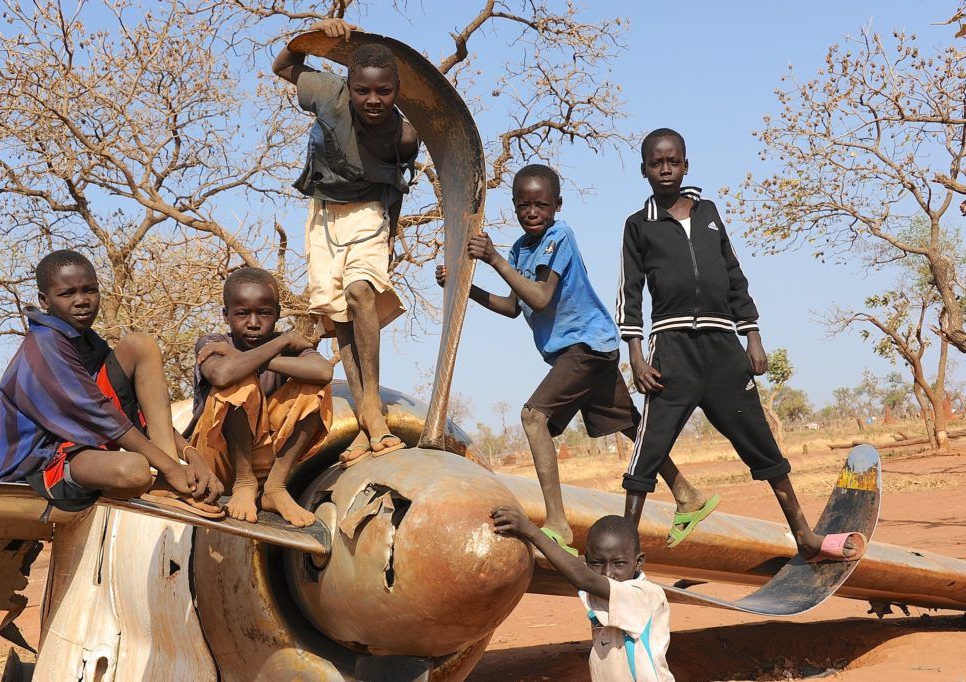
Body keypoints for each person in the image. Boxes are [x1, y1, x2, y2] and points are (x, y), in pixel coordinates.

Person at [617, 128, 866, 561]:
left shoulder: (709, 213)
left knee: (761, 442)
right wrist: (636, 355)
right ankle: (623, 551)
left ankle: (805, 536)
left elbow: (735, 277)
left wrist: (753, 336)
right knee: (648, 450)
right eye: (656, 163)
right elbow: (629, 292)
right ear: (644, 171)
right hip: (672, 350)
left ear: (686, 164)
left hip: (723, 348)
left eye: (673, 161)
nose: (665, 169)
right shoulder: (638, 226)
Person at [437, 164, 704, 550]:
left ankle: (558, 523)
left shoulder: (559, 235)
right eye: (523, 205)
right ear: (514, 206)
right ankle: (687, 494)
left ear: (557, 205)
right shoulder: (519, 250)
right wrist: (466, 287)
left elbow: (542, 297)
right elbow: (514, 306)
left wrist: (494, 260)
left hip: (586, 346)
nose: (532, 212)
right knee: (631, 425)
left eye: (541, 205)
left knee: (533, 418)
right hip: (584, 351)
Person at [272, 18, 419, 465]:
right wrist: (314, 35)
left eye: (384, 92)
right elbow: (284, 65)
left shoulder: (404, 136)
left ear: (396, 90)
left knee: (361, 293)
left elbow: (394, 188)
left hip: (369, 213)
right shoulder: (328, 91)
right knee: (340, 320)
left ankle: (372, 408)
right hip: (323, 216)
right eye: (364, 91)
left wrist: (389, 238)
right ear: (351, 86)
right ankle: (365, 424)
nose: (373, 100)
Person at [0, 250, 224, 518]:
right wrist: (171, 467)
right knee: (134, 470)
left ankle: (167, 488)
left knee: (139, 344)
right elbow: (104, 415)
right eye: (67, 294)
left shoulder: (85, 340)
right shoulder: (45, 346)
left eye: (90, 290)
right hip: (39, 464)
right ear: (45, 300)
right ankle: (167, 481)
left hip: (78, 446)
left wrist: (190, 454)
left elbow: (134, 409)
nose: (82, 301)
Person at [186, 267, 334, 527]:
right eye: (242, 313)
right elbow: (221, 375)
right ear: (226, 315)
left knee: (316, 387)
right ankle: (244, 483)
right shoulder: (214, 342)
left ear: (276, 314)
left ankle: (275, 488)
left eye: (264, 313)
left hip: (267, 460)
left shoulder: (286, 345)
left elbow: (323, 371)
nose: (253, 323)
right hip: (215, 459)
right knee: (238, 381)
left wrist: (273, 351)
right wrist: (280, 344)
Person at [492, 506, 673, 682]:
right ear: (586, 560)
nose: (607, 573)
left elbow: (583, 578)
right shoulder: (605, 592)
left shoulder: (645, 595)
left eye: (618, 563)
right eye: (597, 563)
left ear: (639, 561)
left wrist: (530, 530)